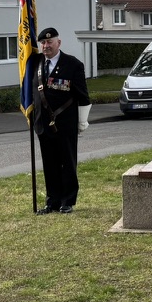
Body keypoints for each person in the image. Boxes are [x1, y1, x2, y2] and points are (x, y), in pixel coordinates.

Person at [31, 27, 92, 214]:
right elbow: (31, 94)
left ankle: (67, 201)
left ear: (59, 42)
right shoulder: (35, 63)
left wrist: (82, 122)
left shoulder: (72, 64)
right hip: (43, 123)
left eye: (49, 42)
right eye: (43, 43)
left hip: (65, 124)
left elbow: (83, 96)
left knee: (67, 162)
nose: (45, 46)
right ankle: (52, 201)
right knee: (49, 164)